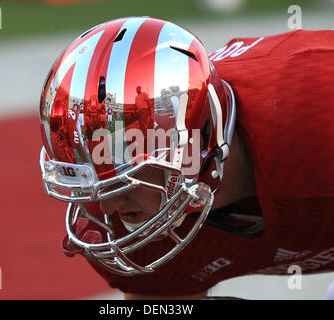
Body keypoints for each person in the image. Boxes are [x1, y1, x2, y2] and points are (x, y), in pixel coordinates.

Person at [39, 17, 334, 300]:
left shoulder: (315, 115)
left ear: (191, 143)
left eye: (126, 183)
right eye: (101, 185)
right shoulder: (119, 227)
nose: (107, 207)